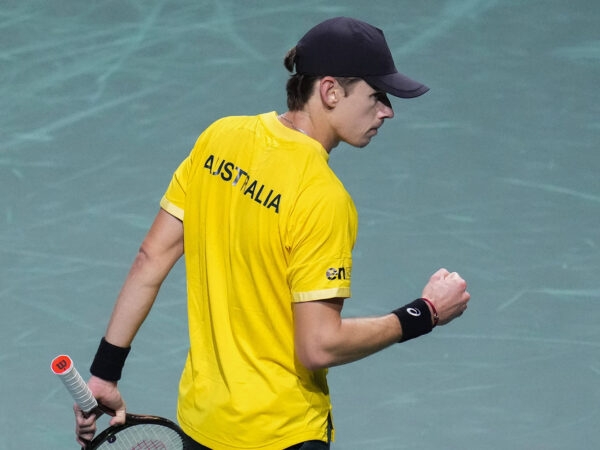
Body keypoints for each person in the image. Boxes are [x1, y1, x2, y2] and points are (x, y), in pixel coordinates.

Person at [75, 17, 470, 450]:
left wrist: (105, 372)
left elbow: (150, 259)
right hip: (281, 436)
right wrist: (424, 313)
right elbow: (318, 347)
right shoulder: (322, 197)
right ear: (331, 91)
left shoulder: (219, 138)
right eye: (377, 95)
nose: (388, 110)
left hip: (201, 426)